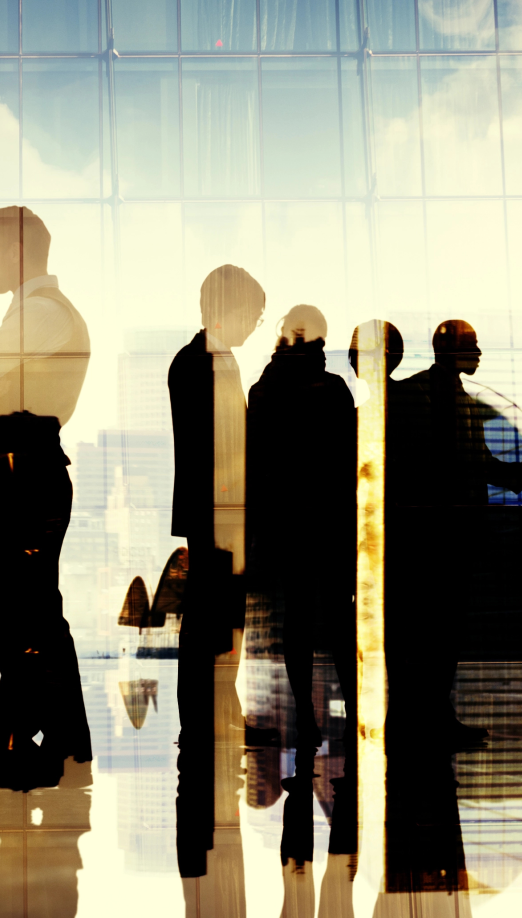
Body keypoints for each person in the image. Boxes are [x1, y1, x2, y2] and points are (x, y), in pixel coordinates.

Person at [0, 205, 93, 789]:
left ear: (16, 250)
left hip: (22, 474)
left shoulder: (41, 313)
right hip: (23, 470)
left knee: (21, 618)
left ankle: (12, 749)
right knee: (37, 615)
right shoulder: (37, 312)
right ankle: (67, 742)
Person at [387, 319, 522, 745]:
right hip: (430, 537)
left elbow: (478, 464)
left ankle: (430, 714)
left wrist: (518, 474)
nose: (479, 352)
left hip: (451, 535)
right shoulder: (419, 397)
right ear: (448, 350)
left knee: (441, 630)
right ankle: (423, 716)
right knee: (431, 629)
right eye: (471, 344)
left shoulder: (459, 401)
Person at [167, 264, 264, 881]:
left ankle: (214, 715)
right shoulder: (203, 363)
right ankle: (204, 721)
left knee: (217, 626)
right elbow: (221, 447)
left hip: (219, 513)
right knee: (211, 626)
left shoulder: (205, 359)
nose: (256, 324)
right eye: (253, 313)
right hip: (219, 514)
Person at [245, 306, 357, 753]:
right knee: (339, 616)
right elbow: (349, 457)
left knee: (298, 617)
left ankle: (306, 718)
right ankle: (353, 710)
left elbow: (258, 461)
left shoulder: (265, 390)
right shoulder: (334, 389)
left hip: (288, 519)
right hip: (330, 516)